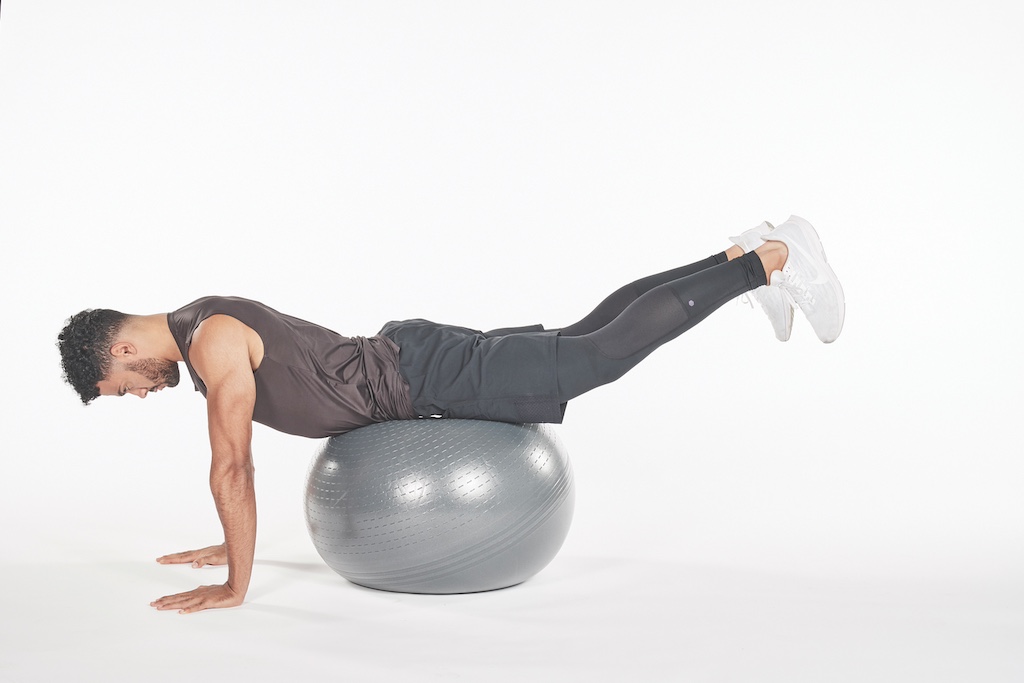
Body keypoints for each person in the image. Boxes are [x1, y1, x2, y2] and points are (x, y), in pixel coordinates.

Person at [56, 215, 844, 614]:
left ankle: (769, 263)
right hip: (411, 363)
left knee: (597, 356)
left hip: (419, 376)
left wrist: (235, 582)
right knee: (582, 337)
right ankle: (749, 253)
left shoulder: (213, 341)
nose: (141, 395)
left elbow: (232, 463)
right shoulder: (202, 326)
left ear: (122, 347)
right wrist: (226, 539)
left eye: (125, 387)